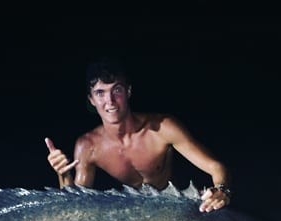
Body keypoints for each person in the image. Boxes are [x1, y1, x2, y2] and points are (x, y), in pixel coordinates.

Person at [45, 58, 232, 212]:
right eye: (100, 93)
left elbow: (216, 167)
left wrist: (222, 190)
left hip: (174, 206)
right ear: (91, 100)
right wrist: (63, 174)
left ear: (128, 91)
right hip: (131, 213)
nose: (109, 101)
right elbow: (74, 205)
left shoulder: (162, 128)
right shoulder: (87, 146)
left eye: (116, 90)